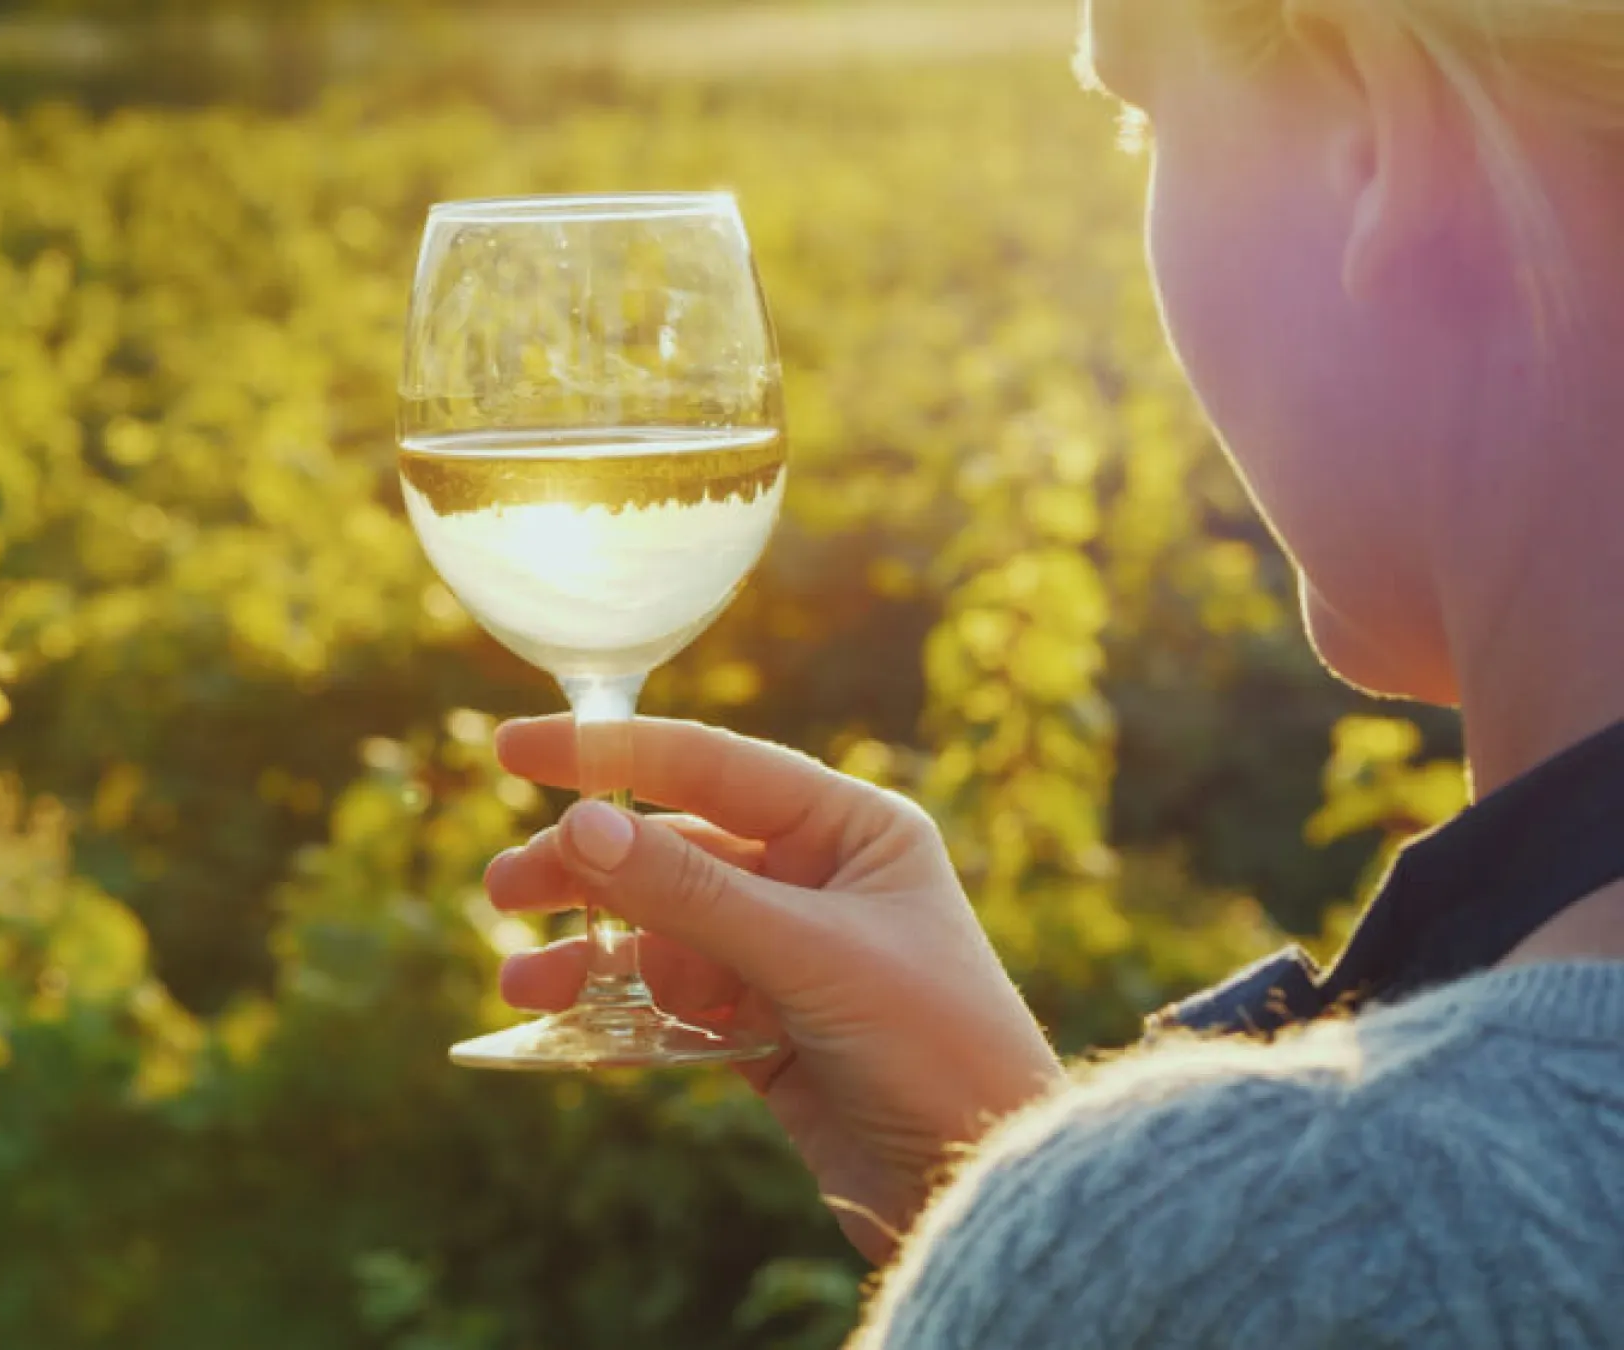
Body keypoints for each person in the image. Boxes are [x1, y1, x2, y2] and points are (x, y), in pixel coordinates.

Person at [484, 1, 1624, 1344]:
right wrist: (1013, 1172)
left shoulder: (1327, 1238)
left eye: (1145, 118)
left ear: (1381, 138)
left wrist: (1116, 1252)